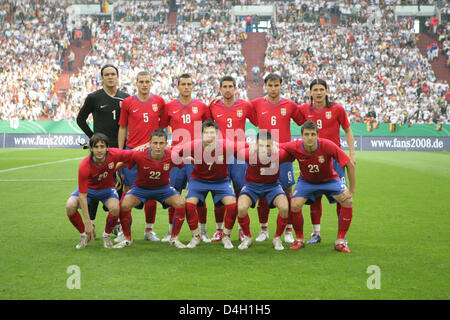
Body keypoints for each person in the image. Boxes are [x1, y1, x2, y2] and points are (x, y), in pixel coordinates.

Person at [280, 120, 355, 253]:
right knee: (295, 204)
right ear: (302, 135)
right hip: (306, 182)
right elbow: (278, 146)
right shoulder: (295, 146)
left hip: (329, 181)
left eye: (313, 134)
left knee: (348, 201)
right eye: (307, 134)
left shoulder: (327, 145)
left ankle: (340, 241)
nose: (310, 137)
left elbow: (349, 164)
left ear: (317, 135)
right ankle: (300, 239)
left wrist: (351, 191)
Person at [172, 119, 246, 249]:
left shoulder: (226, 145)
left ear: (217, 135)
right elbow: (173, 152)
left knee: (232, 205)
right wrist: (183, 159)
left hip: (221, 181)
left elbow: (245, 147)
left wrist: (261, 146)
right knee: (189, 205)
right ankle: (196, 237)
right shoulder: (193, 145)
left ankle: (226, 236)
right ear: (201, 134)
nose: (210, 136)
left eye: (212, 133)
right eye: (206, 133)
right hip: (198, 180)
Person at [298, 79, 355, 245]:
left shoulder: (337, 109)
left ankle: (342, 236)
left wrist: (351, 152)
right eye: (315, 89)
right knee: (315, 197)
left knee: (342, 197)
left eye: (321, 89)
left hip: (334, 160)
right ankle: (316, 233)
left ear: (327, 91)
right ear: (310, 93)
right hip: (313, 159)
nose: (318, 92)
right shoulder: (303, 110)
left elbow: (348, 130)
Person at [250, 73, 305, 244]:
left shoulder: (290, 105)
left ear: (282, 85)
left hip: (284, 156)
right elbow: (240, 108)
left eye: (276, 85)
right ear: (265, 86)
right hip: (264, 155)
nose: (273, 89)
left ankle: (288, 230)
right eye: (270, 85)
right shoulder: (257, 104)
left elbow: (303, 120)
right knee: (261, 192)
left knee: (288, 191)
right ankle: (263, 229)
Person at [76, 64, 130, 237]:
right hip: (99, 152)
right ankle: (90, 224)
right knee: (94, 186)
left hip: (118, 150)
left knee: (117, 187)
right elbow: (80, 119)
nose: (110, 77)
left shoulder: (126, 98)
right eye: (106, 74)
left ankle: (114, 224)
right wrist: (93, 138)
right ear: (102, 78)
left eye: (113, 74)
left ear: (117, 76)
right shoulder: (94, 97)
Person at [159, 73, 211, 243]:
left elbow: (209, 130)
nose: (187, 87)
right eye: (184, 84)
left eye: (189, 84)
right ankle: (171, 231)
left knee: (199, 196)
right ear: (178, 86)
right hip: (176, 159)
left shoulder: (202, 107)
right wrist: (167, 147)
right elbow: (161, 129)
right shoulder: (169, 106)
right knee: (174, 195)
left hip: (197, 158)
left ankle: (203, 232)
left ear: (193, 86)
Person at [114, 129, 187, 249]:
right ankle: (127, 239)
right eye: (155, 143)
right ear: (150, 143)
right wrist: (113, 169)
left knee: (180, 203)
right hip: (141, 189)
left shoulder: (171, 156)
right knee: (124, 205)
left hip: (164, 189)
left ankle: (174, 238)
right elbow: (126, 164)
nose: (158, 146)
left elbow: (183, 163)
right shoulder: (139, 155)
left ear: (166, 144)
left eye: (161, 143)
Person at [117, 70, 166, 242]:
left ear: (151, 83)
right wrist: (122, 152)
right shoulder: (128, 102)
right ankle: (124, 231)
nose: (144, 84)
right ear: (136, 83)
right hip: (132, 151)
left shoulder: (159, 101)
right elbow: (122, 127)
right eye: (141, 81)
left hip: (152, 153)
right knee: (128, 190)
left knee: (152, 190)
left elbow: (164, 124)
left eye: (147, 81)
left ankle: (149, 230)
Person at [209, 75, 257, 242]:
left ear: (235, 88)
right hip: (220, 155)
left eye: (231, 86)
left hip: (240, 155)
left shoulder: (245, 105)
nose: (228, 89)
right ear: (220, 89)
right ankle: (219, 229)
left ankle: (241, 229)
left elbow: (259, 121)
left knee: (240, 191)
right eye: (225, 86)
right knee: (219, 192)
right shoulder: (213, 106)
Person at [65, 133, 134, 249]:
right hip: (89, 191)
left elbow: (133, 156)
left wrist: (117, 167)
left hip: (107, 190)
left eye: (102, 146)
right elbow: (82, 196)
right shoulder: (84, 165)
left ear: (107, 147)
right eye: (96, 147)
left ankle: (106, 236)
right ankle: (84, 236)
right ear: (91, 148)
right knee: (70, 205)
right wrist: (88, 223)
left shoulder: (114, 154)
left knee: (115, 208)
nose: (99, 150)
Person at [235, 130, 291, 250]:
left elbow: (293, 149)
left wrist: (279, 145)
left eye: (268, 146)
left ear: (273, 145)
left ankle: (277, 238)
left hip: (273, 186)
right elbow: (234, 149)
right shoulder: (248, 154)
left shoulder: (279, 154)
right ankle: (247, 237)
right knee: (241, 207)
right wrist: (248, 145)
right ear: (256, 145)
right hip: (251, 186)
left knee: (284, 207)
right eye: (261, 146)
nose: (264, 149)